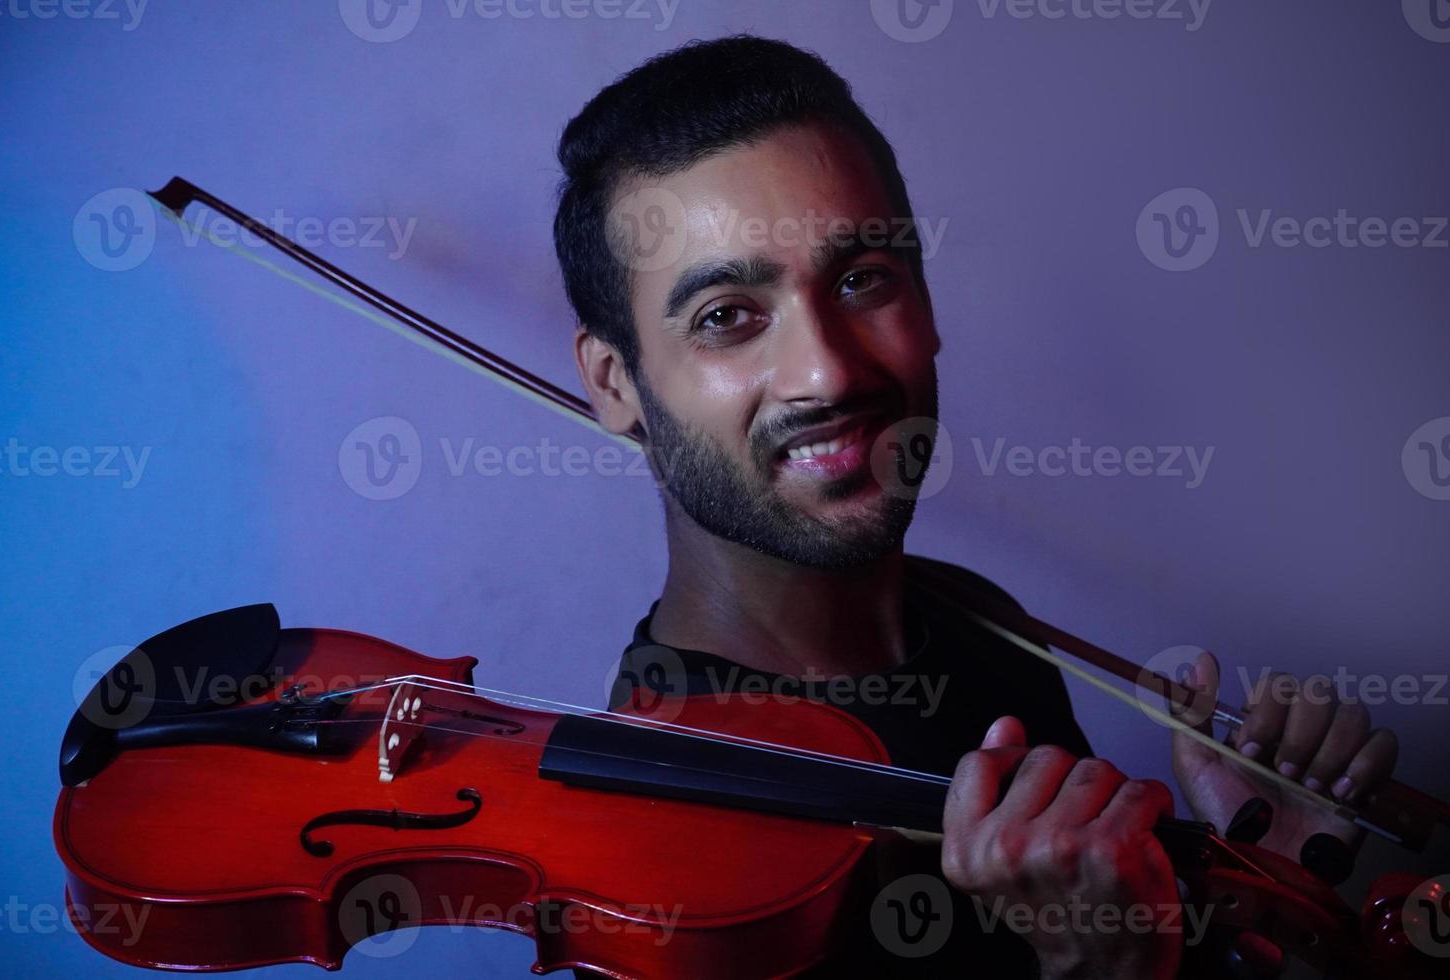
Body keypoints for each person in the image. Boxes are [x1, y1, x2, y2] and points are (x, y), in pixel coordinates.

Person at [552, 34, 1398, 978]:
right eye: (727, 317)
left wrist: (1253, 876)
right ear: (614, 382)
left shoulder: (970, 618)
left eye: (861, 277)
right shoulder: (653, 859)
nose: (829, 369)